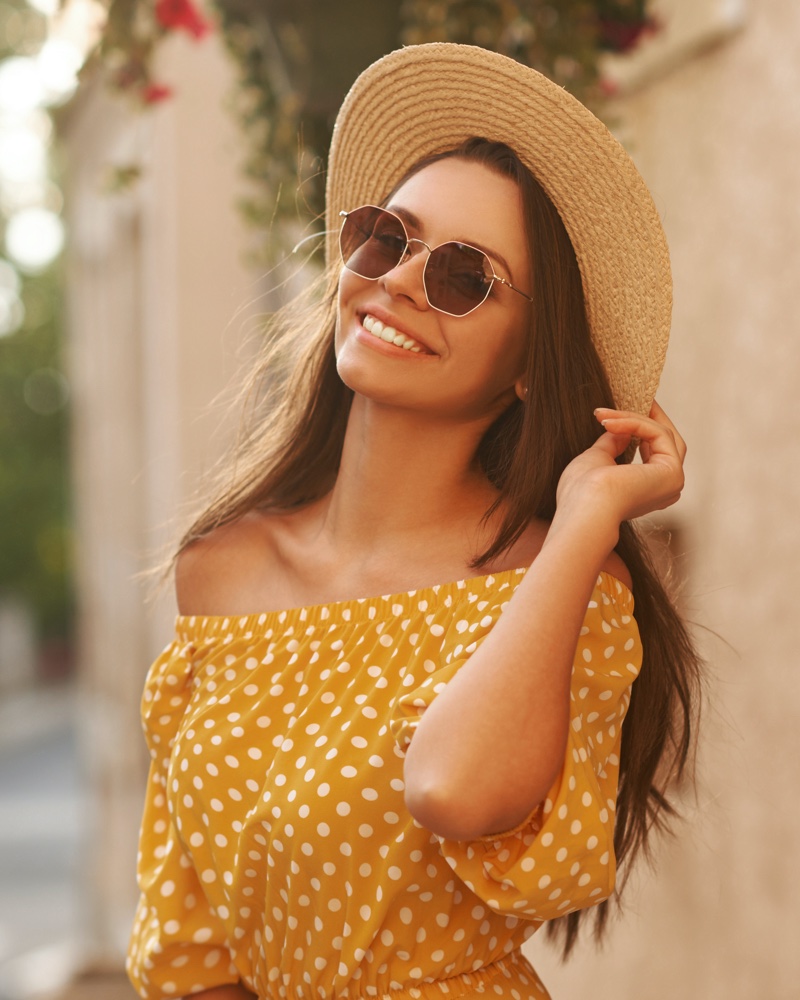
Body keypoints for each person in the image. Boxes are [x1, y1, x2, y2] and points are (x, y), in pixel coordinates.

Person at [126, 43, 701, 1000]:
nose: (396, 280)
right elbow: (190, 951)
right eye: (387, 236)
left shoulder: (561, 589)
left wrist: (585, 519)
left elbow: (453, 789)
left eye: (466, 276)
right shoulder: (220, 570)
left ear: (529, 360)